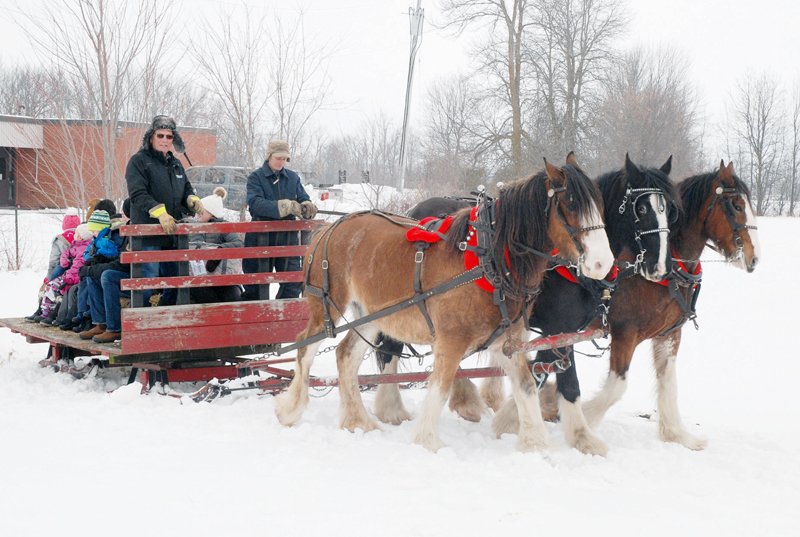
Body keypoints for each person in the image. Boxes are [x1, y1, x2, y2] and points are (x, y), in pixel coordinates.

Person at [126, 115, 204, 306]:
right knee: (148, 280)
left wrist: (191, 199)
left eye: (169, 137)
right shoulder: (139, 161)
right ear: (151, 137)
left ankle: (163, 316)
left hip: (172, 233)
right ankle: (139, 319)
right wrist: (159, 212)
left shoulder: (176, 163)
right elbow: (138, 194)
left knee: (176, 280)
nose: (164, 140)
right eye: (160, 135)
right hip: (148, 235)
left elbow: (186, 189)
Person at [242, 140, 317, 300]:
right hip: (260, 238)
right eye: (278, 158)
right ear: (269, 156)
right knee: (255, 285)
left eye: (284, 159)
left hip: (287, 238)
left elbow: (303, 197)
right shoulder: (256, 178)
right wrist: (285, 207)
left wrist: (306, 206)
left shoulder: (292, 178)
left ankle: (282, 318)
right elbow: (255, 204)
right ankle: (256, 320)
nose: (281, 162)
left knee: (292, 283)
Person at [78, 208, 131, 342]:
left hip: (136, 274)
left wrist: (92, 268)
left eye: (125, 214)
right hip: (128, 270)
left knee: (107, 276)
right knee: (93, 276)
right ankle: (101, 323)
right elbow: (119, 258)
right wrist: (99, 259)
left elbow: (122, 263)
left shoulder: (131, 232)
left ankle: (114, 328)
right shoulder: (124, 231)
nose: (121, 216)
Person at [189, 187, 244, 303]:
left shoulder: (224, 226)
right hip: (198, 279)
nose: (198, 213)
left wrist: (218, 253)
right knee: (205, 297)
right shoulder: (191, 226)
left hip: (223, 277)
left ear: (212, 212)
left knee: (233, 297)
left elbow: (239, 243)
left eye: (202, 210)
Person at [25, 207, 81, 322]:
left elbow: (53, 261)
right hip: (77, 271)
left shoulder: (60, 239)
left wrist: (48, 278)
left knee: (52, 281)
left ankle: (42, 310)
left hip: (64, 271)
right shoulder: (83, 236)